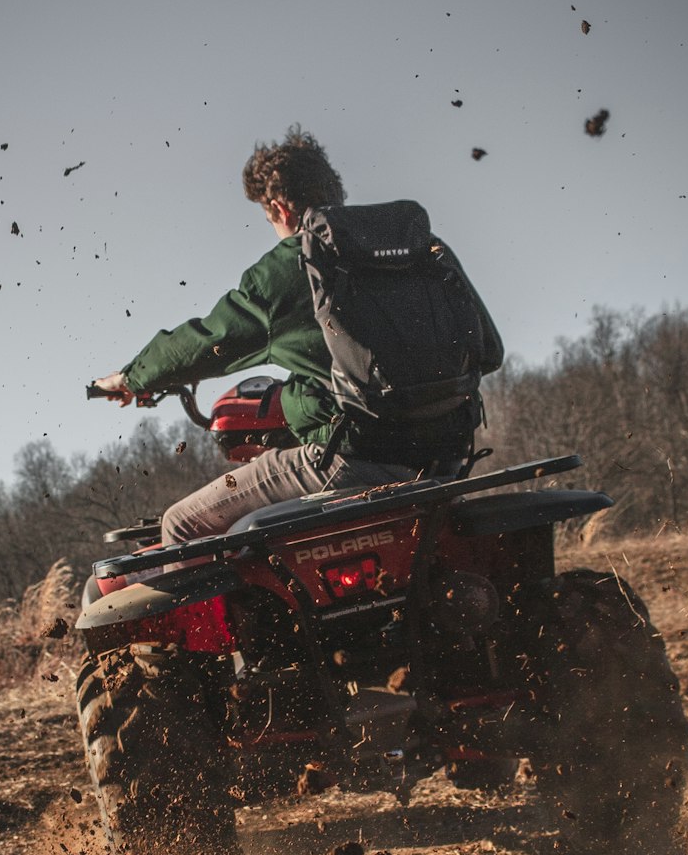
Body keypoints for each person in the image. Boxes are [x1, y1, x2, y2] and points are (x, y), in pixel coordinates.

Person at [90, 127, 504, 545]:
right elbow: (490, 350)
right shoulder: (415, 245)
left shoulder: (294, 264)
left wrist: (132, 377)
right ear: (333, 191)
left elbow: (207, 342)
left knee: (181, 525)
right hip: (447, 453)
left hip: (355, 458)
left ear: (279, 208)